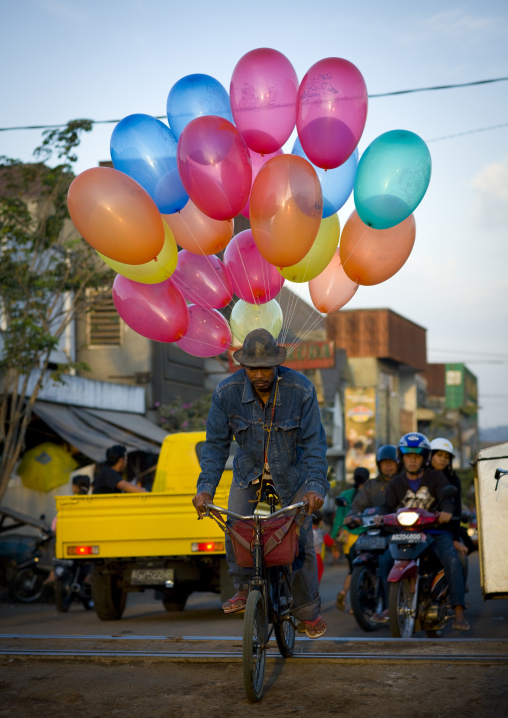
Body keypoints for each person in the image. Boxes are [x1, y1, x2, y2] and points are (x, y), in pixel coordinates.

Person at [192, 328, 330, 639]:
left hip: (293, 477)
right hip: (248, 474)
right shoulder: (225, 393)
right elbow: (214, 446)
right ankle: (243, 588)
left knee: (300, 540)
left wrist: (315, 489)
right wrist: (205, 489)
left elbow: (314, 446)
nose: (259, 374)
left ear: (277, 364)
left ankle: (307, 611)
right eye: (252, 368)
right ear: (243, 367)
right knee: (235, 524)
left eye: (265, 367)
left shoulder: (301, 390)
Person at [374, 432, 469, 631]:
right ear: (401, 457)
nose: (412, 460)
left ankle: (458, 610)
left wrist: (446, 512)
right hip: (405, 534)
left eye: (417, 456)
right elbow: (386, 506)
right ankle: (387, 606)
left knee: (452, 558)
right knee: (384, 561)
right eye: (408, 456)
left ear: (424, 458)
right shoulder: (395, 483)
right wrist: (379, 516)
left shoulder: (437, 477)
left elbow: (448, 501)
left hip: (435, 533)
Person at [340, 445, 399, 612]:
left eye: (391, 462)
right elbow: (358, 504)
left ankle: (391, 601)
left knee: (387, 559)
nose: (388, 466)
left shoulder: (401, 482)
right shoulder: (371, 485)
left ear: (398, 463)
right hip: (374, 531)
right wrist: (352, 515)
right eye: (384, 463)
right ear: (379, 465)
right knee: (353, 550)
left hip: (395, 532)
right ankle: (364, 586)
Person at [430, 438, 475, 560]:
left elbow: (457, 509)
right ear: (430, 455)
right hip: (420, 529)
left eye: (446, 457)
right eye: (439, 455)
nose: (443, 459)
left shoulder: (453, 480)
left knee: (458, 559)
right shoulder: (420, 476)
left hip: (445, 530)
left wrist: (455, 538)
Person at [333, 466, 369, 612]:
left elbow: (339, 518)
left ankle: (344, 593)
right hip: (367, 536)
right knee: (366, 570)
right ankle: (359, 603)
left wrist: (335, 538)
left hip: (349, 537)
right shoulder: (369, 493)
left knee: (353, 570)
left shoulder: (345, 494)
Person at [312, 510, 335, 583]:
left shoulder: (303, 532)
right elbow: (332, 543)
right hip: (317, 558)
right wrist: (335, 550)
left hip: (303, 556)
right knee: (315, 580)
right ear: (321, 522)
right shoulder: (321, 533)